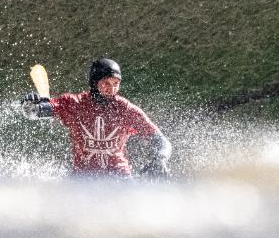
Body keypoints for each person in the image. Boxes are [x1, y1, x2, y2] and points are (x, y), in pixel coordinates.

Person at [18, 58, 172, 178]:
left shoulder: (126, 109)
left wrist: (160, 159)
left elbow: (162, 142)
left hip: (120, 177)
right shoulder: (74, 104)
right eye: (106, 83)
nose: (112, 89)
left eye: (116, 83)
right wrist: (30, 105)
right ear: (94, 83)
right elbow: (33, 113)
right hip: (82, 178)